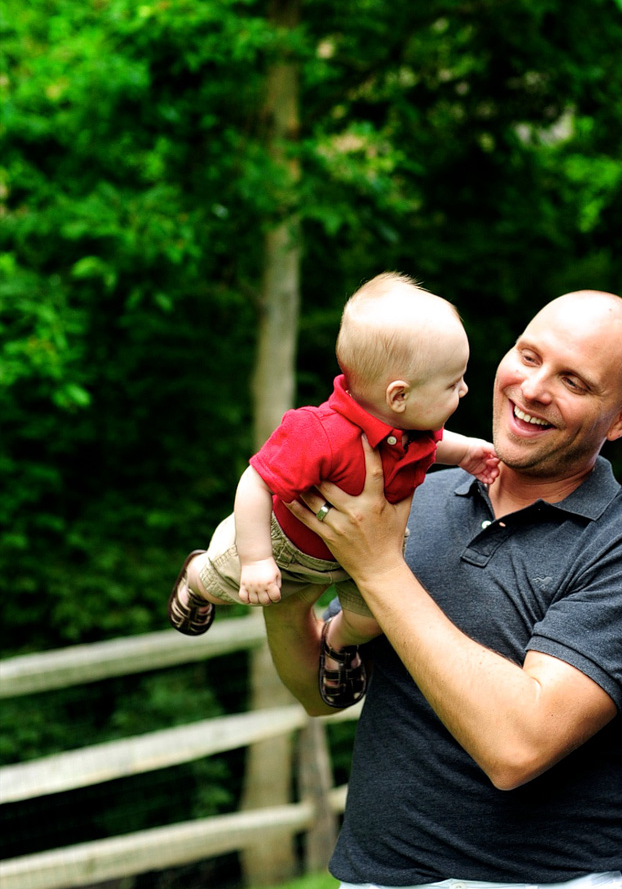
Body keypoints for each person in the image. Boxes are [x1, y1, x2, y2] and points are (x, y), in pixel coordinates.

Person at [264, 290, 622, 889]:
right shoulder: (413, 493)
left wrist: (378, 567)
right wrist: (288, 601)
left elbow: (517, 745)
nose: (534, 388)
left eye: (573, 381)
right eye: (528, 355)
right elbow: (321, 691)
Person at [167, 273, 498, 707]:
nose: (465, 389)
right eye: (454, 383)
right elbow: (256, 480)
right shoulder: (318, 433)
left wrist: (469, 451)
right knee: (219, 582)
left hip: (365, 554)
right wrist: (256, 559)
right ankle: (194, 577)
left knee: (373, 618)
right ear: (398, 396)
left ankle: (337, 642)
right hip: (282, 546)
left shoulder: (415, 428)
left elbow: (438, 443)